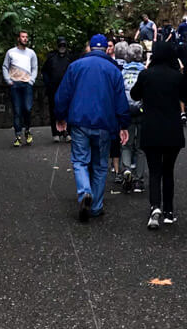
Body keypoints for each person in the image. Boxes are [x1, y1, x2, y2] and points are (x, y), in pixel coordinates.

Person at [53, 34, 130, 221]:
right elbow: (121, 100)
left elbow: (63, 94)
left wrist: (60, 116)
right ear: (106, 49)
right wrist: (123, 124)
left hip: (79, 121)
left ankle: (84, 192)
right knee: (101, 165)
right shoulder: (113, 70)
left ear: (89, 48)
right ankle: (96, 206)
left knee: (80, 161)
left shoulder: (75, 66)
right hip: (105, 122)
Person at [130, 40, 187, 228]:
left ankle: (155, 206)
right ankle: (169, 211)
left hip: (151, 128)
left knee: (154, 170)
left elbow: (134, 95)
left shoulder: (146, 75)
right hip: (172, 129)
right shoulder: (176, 77)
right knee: (168, 171)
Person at [1, 30, 38, 147]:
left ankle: (27, 131)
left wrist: (31, 80)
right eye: (23, 37)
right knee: (17, 111)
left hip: (27, 84)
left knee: (27, 109)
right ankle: (18, 136)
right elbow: (5, 66)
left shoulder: (31, 53)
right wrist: (8, 80)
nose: (25, 39)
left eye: (26, 37)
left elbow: (35, 67)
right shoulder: (10, 52)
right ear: (18, 38)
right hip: (15, 84)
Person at [118, 46, 146, 193]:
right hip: (141, 111)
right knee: (141, 147)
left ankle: (127, 169)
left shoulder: (122, 72)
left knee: (125, 144)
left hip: (126, 111)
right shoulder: (144, 72)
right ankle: (139, 179)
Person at [43, 36, 79, 141]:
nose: (62, 47)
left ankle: (67, 131)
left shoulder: (70, 58)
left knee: (67, 110)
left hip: (67, 89)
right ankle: (55, 133)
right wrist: (48, 83)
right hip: (53, 89)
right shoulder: (51, 58)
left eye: (64, 45)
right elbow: (44, 71)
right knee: (53, 110)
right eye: (60, 45)